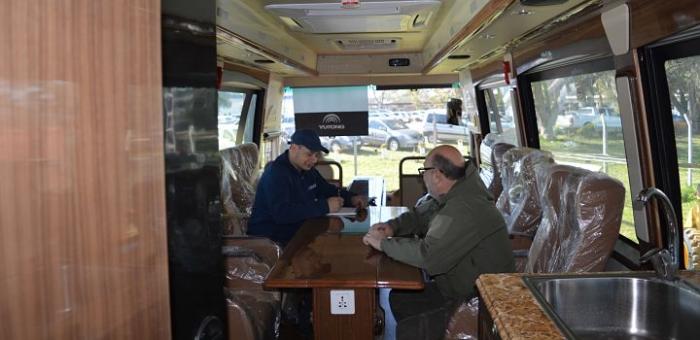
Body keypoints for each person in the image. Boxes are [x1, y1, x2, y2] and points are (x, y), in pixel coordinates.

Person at [362, 145, 515, 340]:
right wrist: (392, 228)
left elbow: (429, 257)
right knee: (401, 299)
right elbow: (421, 215)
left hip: (482, 303)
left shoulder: (464, 207)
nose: (421, 178)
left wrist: (383, 244)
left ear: (435, 175)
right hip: (458, 288)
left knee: (410, 331)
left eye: (423, 172)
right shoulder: (455, 192)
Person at [248, 129, 367, 246]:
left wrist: (351, 198)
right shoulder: (276, 173)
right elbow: (282, 214)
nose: (314, 160)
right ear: (294, 148)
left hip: (298, 233)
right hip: (271, 241)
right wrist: (325, 206)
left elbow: (326, 189)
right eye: (309, 154)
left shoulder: (306, 169)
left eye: (316, 155)